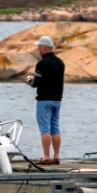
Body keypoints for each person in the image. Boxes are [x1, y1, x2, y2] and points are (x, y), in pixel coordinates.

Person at [26, 36, 65, 165]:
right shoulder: (60, 62)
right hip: (57, 100)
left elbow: (35, 83)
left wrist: (29, 81)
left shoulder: (42, 63)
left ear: (45, 47)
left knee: (45, 129)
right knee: (55, 128)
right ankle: (57, 157)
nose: (38, 48)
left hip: (44, 100)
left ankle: (46, 157)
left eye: (39, 46)